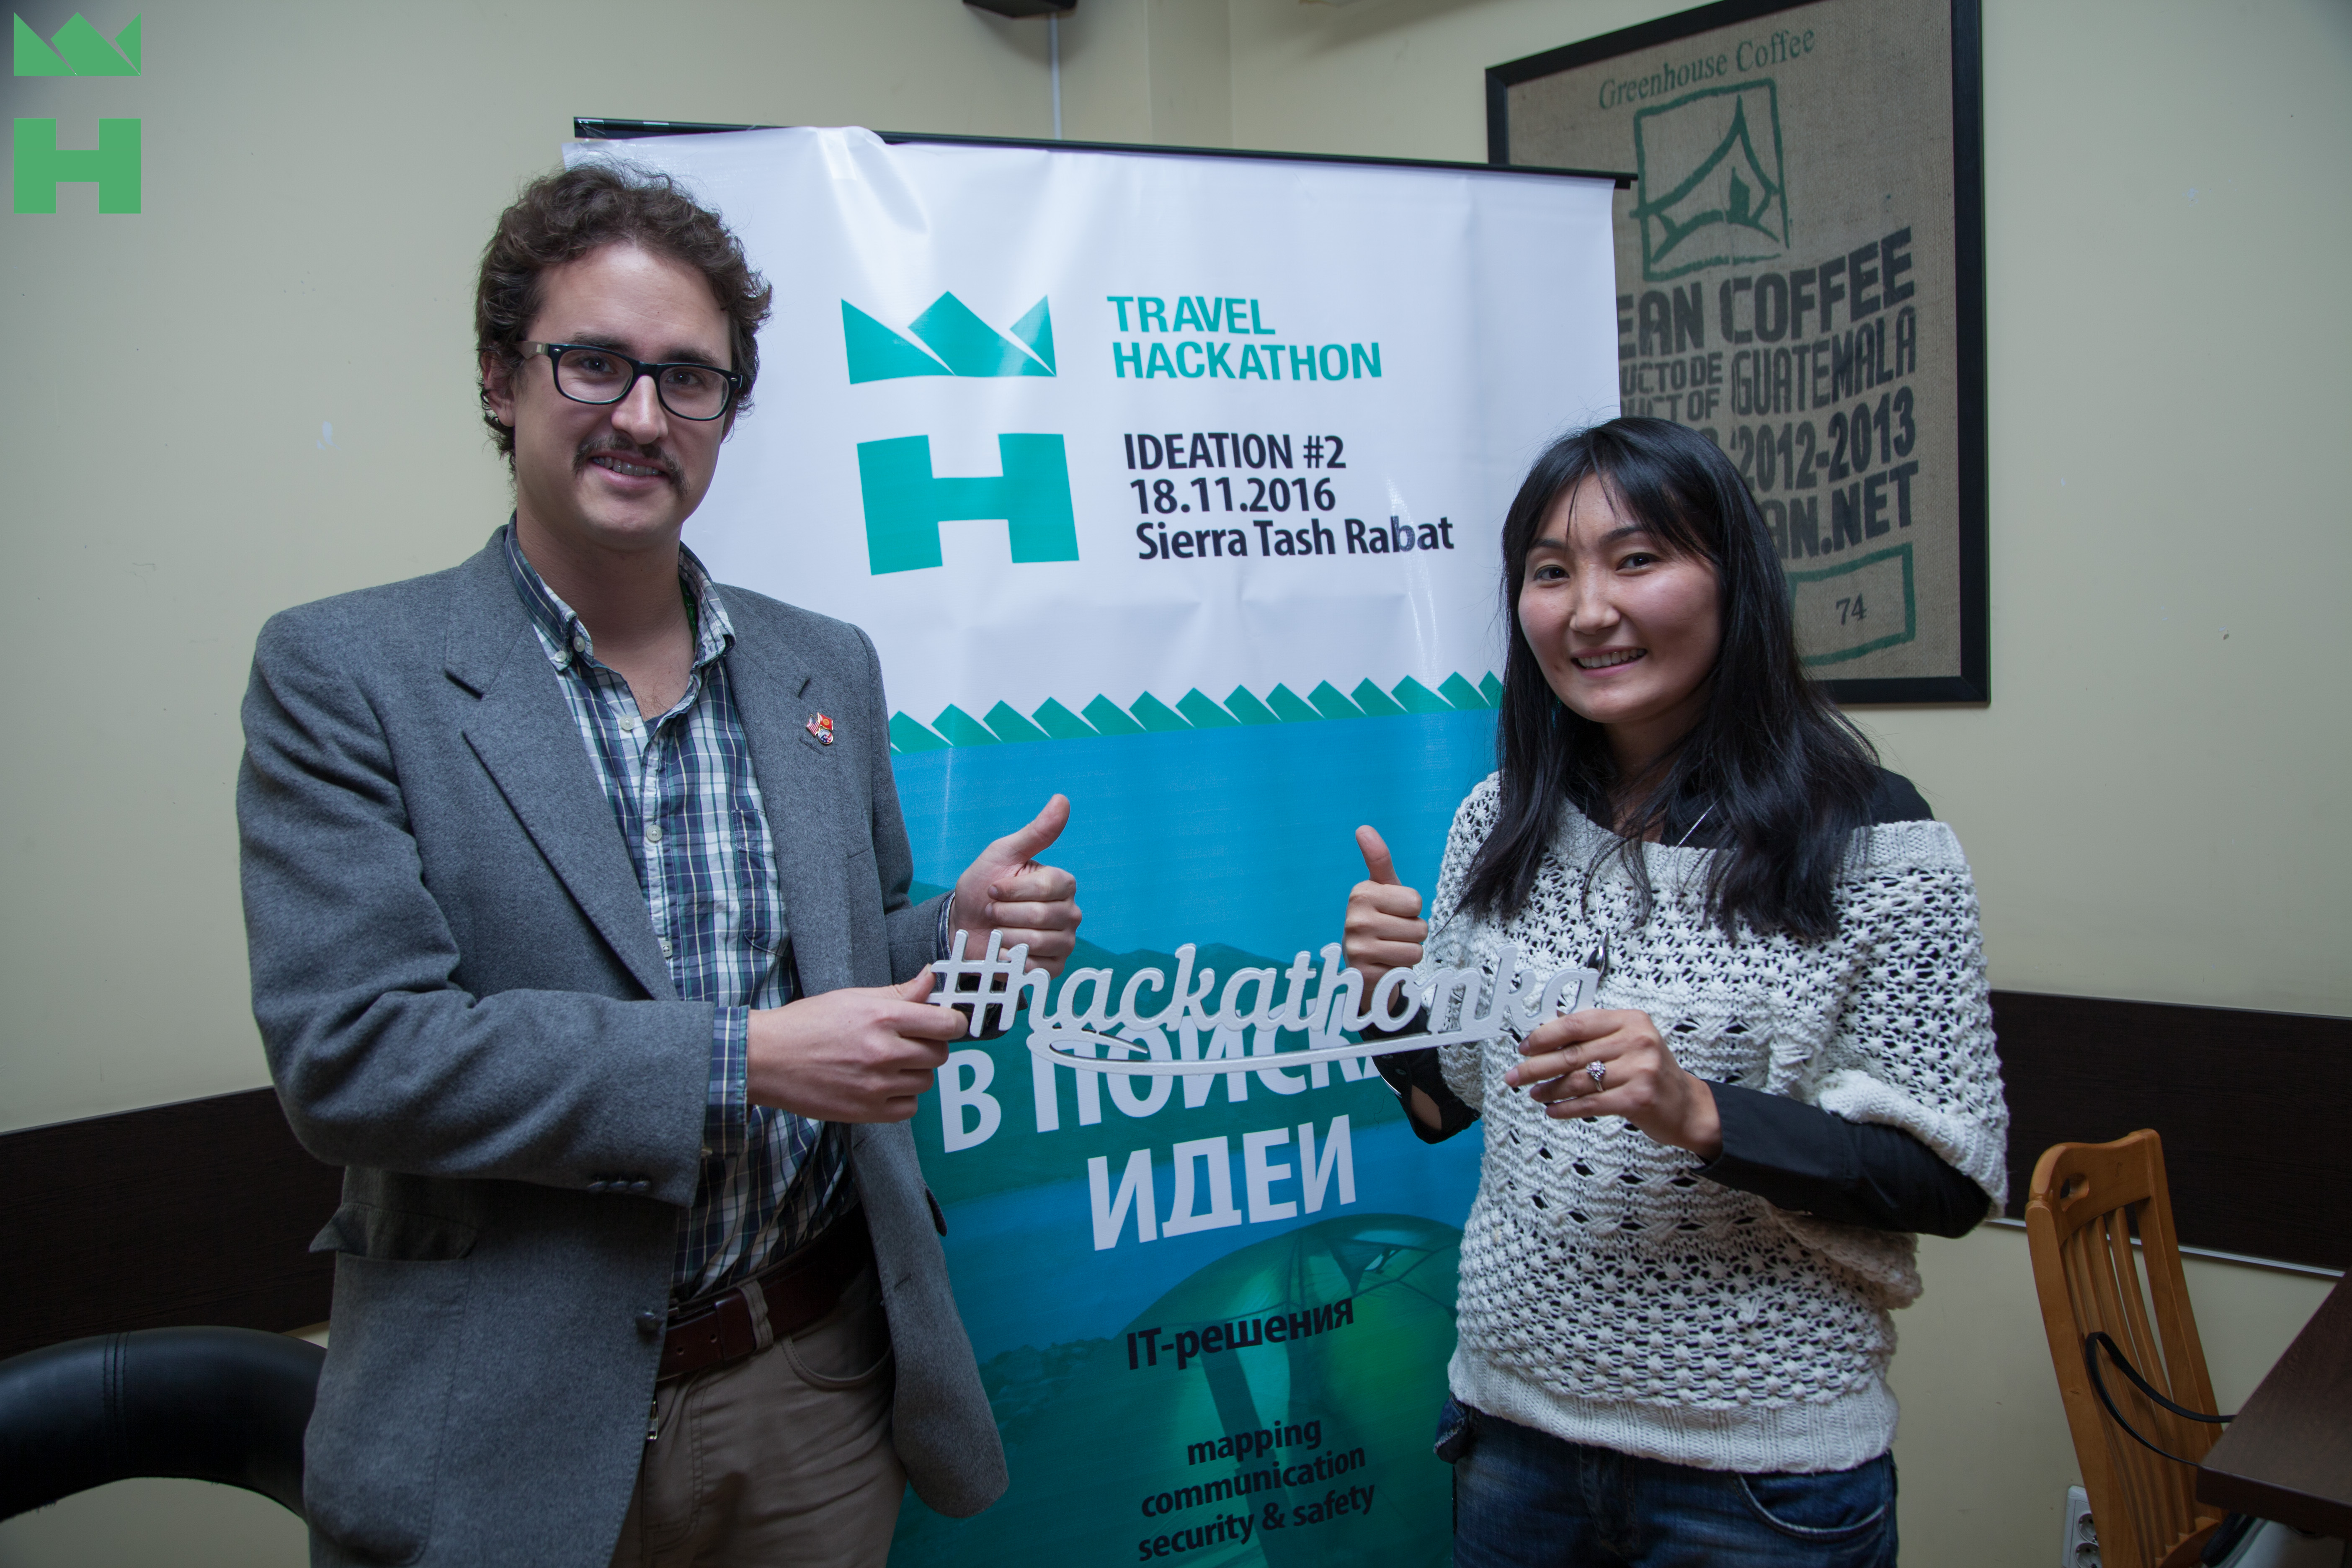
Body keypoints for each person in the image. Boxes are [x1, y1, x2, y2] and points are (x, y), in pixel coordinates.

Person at [238, 163, 1081, 1568]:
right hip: (507, 1423)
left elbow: (843, 970)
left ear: (727, 413)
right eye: (595, 364)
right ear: (502, 378)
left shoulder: (822, 665)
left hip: (813, 1386)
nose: (642, 416)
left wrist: (957, 938)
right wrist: (741, 1059)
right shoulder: (348, 674)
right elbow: (354, 1056)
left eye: (689, 379)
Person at [1344, 418, 2007, 1566]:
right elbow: (1446, 1103)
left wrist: (1697, 1112)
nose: (1589, 610)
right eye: (1551, 572)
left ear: (1731, 578)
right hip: (1511, 1439)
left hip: (1760, 1483)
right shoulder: (1500, 820)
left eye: (1638, 559)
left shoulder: (1873, 840)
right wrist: (1390, 995)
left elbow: (1945, 1181)